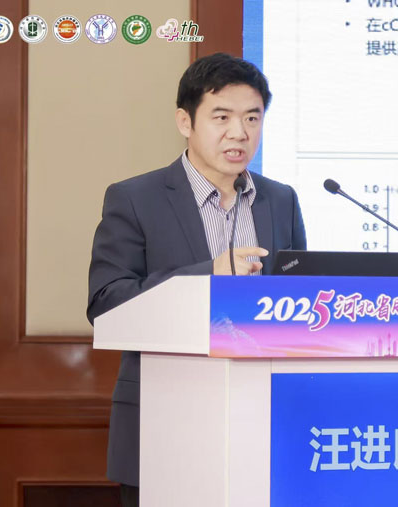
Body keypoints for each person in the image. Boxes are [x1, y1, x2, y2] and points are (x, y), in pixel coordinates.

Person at [86, 53, 306, 506]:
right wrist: (209, 273)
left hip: (263, 422)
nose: (239, 133)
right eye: (221, 117)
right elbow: (107, 303)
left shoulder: (280, 200)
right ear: (185, 122)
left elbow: (298, 298)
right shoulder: (135, 199)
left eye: (252, 118)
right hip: (166, 422)